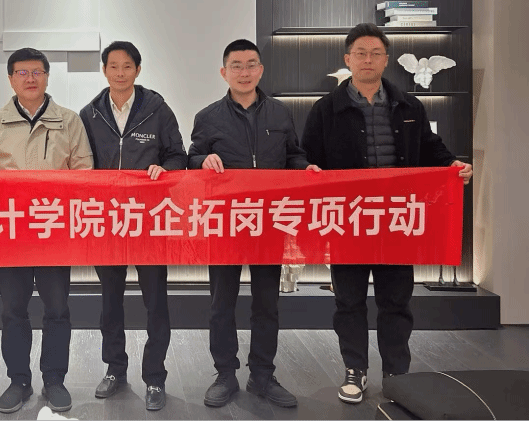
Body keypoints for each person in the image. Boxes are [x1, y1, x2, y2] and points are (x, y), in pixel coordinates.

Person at [301, 22, 473, 405]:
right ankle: (355, 370)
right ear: (347, 59)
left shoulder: (409, 105)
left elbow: (431, 148)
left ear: (386, 59)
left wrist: (452, 166)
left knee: (396, 301)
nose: (368, 60)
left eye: (375, 53)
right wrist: (307, 170)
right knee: (348, 301)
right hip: (347, 221)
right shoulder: (325, 109)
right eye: (360, 53)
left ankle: (397, 375)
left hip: (396, 219)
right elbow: (307, 156)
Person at [188, 38, 320, 409]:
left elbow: (293, 156)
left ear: (260, 70)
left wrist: (305, 168)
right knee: (221, 302)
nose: (244, 72)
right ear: (224, 72)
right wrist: (203, 161)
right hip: (226, 222)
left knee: (266, 303)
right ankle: (225, 374)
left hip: (268, 221)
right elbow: (192, 157)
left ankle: (262, 374)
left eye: (251, 65)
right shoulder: (208, 117)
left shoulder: (280, 113)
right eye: (236, 65)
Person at [0, 47, 93, 414]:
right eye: (22, 72)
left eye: (37, 72)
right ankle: (18, 380)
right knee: (13, 310)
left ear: (47, 76)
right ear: (11, 78)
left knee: (57, 309)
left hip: (53, 228)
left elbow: (84, 174)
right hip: (9, 233)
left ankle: (54, 379)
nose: (30, 78)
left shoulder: (69, 121)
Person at [78, 41, 187, 411]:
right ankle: (115, 369)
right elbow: (82, 163)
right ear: (104, 70)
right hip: (108, 221)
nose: (120, 73)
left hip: (149, 220)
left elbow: (178, 155)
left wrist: (165, 168)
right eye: (113, 66)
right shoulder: (90, 113)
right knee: (110, 302)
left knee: (155, 302)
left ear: (138, 70)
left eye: (127, 66)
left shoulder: (157, 109)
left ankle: (155, 376)